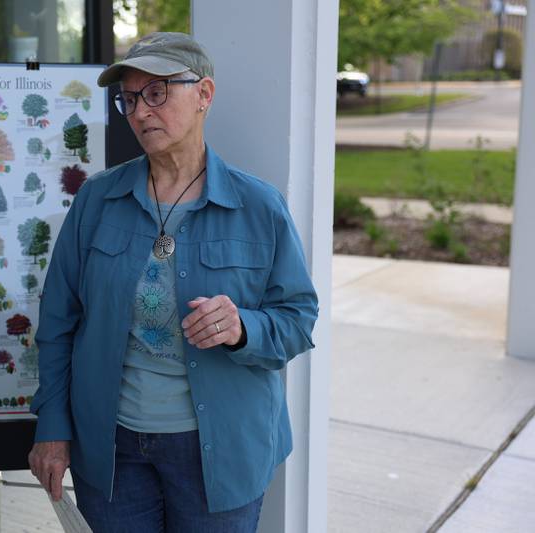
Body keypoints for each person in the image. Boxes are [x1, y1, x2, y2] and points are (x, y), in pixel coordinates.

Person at [28, 32, 319, 532]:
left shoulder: (258, 206)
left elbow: (298, 318)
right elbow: (58, 324)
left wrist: (243, 327)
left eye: (158, 92)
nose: (141, 111)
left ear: (203, 94)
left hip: (221, 452)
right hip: (113, 451)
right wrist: (52, 429)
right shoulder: (97, 201)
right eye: (130, 98)